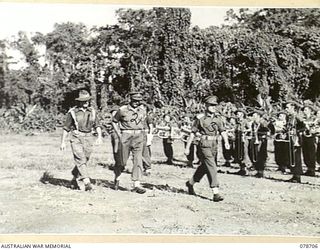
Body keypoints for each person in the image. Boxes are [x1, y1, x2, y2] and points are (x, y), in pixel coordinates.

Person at [184, 95, 230, 202]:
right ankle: (215, 192)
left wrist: (226, 142)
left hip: (214, 144)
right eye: (211, 105)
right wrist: (187, 148)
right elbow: (192, 133)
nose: (214, 107)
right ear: (206, 105)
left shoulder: (218, 118)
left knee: (205, 167)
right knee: (212, 166)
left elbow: (223, 131)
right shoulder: (200, 118)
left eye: (215, 105)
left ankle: (190, 183)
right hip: (204, 145)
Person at [60, 89, 103, 191]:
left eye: (88, 100)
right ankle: (87, 182)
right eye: (84, 100)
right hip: (76, 138)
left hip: (89, 137)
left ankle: (75, 176)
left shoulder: (92, 111)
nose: (86, 102)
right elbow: (66, 128)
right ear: (79, 101)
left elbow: (97, 125)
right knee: (80, 159)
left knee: (85, 158)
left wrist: (99, 137)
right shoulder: (72, 112)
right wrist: (63, 142)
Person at [111, 91, 151, 194]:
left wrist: (146, 134)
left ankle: (136, 184)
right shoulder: (122, 110)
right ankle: (117, 177)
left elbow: (145, 123)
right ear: (130, 100)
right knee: (122, 161)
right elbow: (114, 121)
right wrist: (119, 134)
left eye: (138, 101)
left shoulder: (142, 111)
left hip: (138, 136)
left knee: (138, 160)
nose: (136, 103)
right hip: (126, 136)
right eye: (134, 101)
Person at [247, 109, 274, 178]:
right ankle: (257, 170)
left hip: (261, 141)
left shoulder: (263, 123)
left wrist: (266, 134)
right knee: (252, 154)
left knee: (261, 155)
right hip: (254, 140)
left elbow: (270, 130)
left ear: (258, 116)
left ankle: (261, 171)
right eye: (252, 116)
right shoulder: (253, 123)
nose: (253, 117)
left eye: (254, 115)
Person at [285, 101, 305, 183]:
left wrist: (297, 132)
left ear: (293, 108)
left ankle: (297, 176)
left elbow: (303, 127)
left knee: (296, 158)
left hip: (296, 139)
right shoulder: (289, 117)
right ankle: (294, 175)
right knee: (291, 157)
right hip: (290, 138)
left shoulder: (297, 116)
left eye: (287, 107)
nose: (286, 109)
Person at [301, 104, 317, 177]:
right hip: (304, 137)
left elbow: (316, 127)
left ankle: (312, 169)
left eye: (306, 110)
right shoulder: (302, 118)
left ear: (310, 111)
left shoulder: (314, 118)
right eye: (304, 110)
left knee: (311, 153)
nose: (304, 111)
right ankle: (308, 168)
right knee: (305, 152)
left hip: (311, 137)